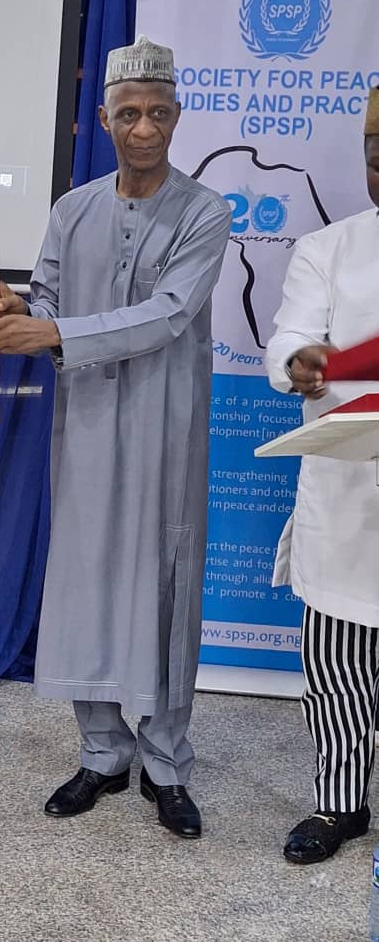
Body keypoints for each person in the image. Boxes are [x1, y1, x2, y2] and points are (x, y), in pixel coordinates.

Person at [0, 36, 231, 838]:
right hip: (84, 421)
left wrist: (49, 333)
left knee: (165, 584)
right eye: (128, 114)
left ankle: (166, 764)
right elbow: (46, 295)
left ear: (176, 116)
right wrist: (14, 309)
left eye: (157, 113)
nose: (143, 128)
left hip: (165, 424)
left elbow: (167, 315)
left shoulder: (205, 212)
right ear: (104, 119)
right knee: (85, 575)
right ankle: (102, 754)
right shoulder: (71, 209)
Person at [264, 87, 379, 865]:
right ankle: (339, 804)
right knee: (336, 662)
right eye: (374, 156)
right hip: (347, 486)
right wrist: (299, 363)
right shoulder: (327, 249)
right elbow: (289, 341)